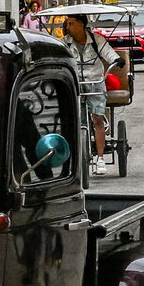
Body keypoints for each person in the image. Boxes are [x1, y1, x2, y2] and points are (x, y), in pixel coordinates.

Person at [60, 10, 120, 169]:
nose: (68, 27)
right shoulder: (65, 43)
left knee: (97, 119)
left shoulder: (96, 40)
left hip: (95, 82)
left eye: (71, 23)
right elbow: (57, 55)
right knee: (74, 120)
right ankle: (74, 157)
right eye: (67, 24)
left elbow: (109, 53)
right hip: (75, 84)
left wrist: (116, 59)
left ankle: (100, 158)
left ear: (81, 25)